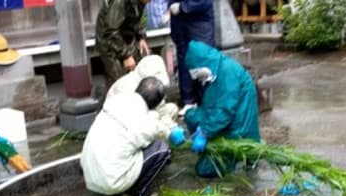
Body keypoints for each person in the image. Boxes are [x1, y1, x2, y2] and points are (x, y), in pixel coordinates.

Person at [81, 77, 181, 196]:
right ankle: (137, 194)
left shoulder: (117, 100)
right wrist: (170, 132)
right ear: (155, 104)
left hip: (91, 176)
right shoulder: (145, 122)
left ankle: (109, 194)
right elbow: (155, 131)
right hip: (112, 181)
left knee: (124, 145)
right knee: (161, 149)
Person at [179, 41, 261, 178]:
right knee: (190, 116)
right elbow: (211, 106)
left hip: (237, 130)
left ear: (202, 65)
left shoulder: (227, 72)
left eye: (197, 74)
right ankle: (209, 148)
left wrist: (205, 132)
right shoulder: (216, 71)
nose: (199, 79)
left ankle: (243, 154)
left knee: (204, 170)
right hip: (227, 121)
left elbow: (224, 111)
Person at [106, 55, 180, 142]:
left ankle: (159, 142)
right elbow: (138, 122)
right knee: (154, 120)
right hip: (122, 129)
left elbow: (162, 109)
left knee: (172, 109)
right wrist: (167, 132)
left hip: (144, 117)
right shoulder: (125, 89)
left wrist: (172, 127)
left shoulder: (153, 87)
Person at [95, 0, 152, 93]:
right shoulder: (119, 2)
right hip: (109, 42)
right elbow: (110, 32)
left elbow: (136, 21)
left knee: (136, 77)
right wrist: (126, 55)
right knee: (118, 84)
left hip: (126, 37)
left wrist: (141, 37)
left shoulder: (140, 3)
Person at [167, 0, 215, 109]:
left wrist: (183, 7)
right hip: (180, 21)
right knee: (184, 60)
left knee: (202, 59)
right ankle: (189, 100)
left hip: (199, 20)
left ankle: (206, 100)